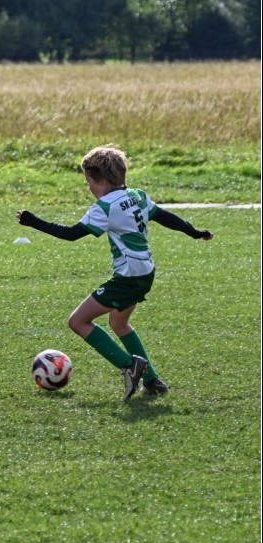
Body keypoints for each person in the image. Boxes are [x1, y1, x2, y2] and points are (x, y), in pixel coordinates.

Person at [16, 146, 213, 399]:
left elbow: (70, 234)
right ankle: (152, 380)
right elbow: (166, 217)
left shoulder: (105, 207)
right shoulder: (138, 196)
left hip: (128, 277)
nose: (88, 187)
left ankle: (129, 365)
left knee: (78, 322)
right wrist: (194, 232)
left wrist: (33, 221)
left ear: (102, 179)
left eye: (88, 181)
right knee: (118, 323)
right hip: (146, 273)